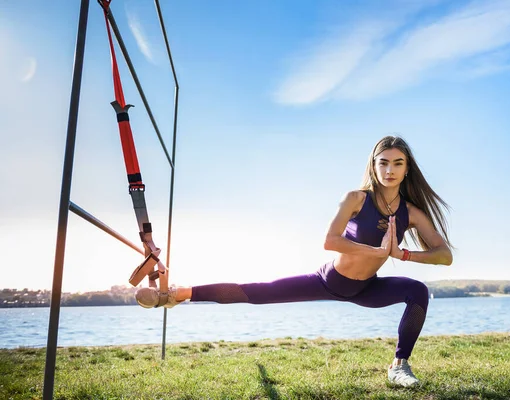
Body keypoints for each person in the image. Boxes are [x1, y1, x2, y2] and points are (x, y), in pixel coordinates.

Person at [136, 135, 453, 388]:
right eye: (383, 163)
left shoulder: (410, 213)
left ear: (407, 168)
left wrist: (404, 255)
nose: (390, 170)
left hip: (367, 289)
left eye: (397, 164)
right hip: (329, 281)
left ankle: (399, 366)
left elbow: (445, 255)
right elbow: (330, 241)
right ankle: (177, 294)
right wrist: (378, 253)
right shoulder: (356, 199)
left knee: (418, 291)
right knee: (259, 292)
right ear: (373, 165)